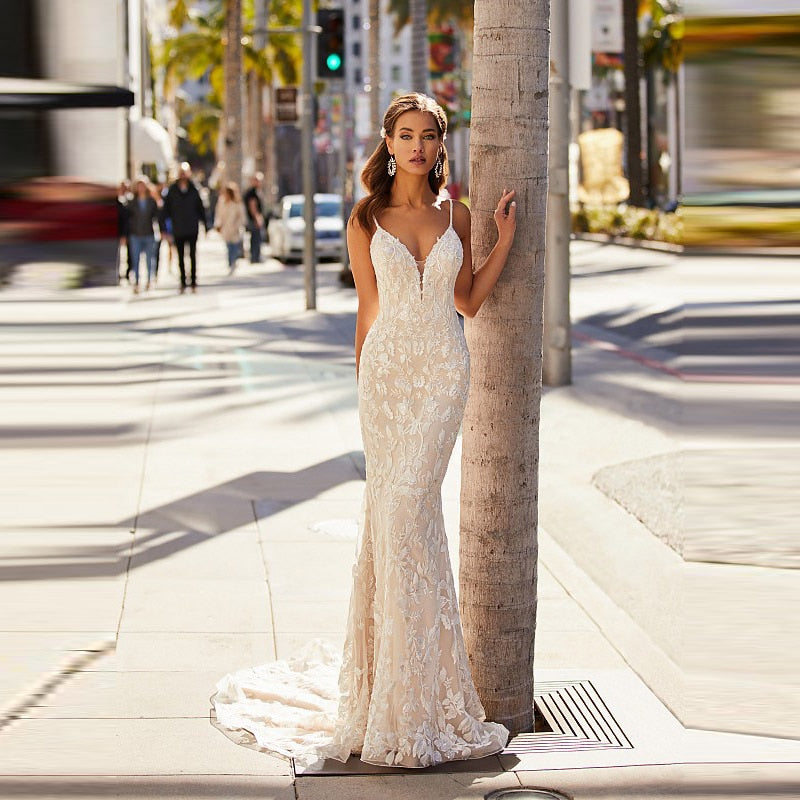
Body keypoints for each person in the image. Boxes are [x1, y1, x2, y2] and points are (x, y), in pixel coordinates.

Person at [211, 93, 517, 768]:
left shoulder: (456, 214)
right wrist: (361, 382)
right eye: (405, 135)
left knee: (409, 511)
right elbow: (366, 313)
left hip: (441, 375)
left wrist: (504, 242)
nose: (417, 146)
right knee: (393, 520)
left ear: (441, 146)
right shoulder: (365, 217)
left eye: (428, 136)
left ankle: (422, 697)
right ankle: (388, 691)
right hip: (386, 380)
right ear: (388, 142)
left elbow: (466, 300)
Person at [163, 162, 208, 293]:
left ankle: (193, 281)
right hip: (178, 228)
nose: (183, 175)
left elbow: (201, 209)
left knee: (193, 255)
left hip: (192, 228)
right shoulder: (172, 190)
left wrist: (205, 225)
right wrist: (164, 229)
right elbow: (166, 210)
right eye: (181, 172)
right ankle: (183, 282)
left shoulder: (194, 189)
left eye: (185, 172)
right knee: (181, 256)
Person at [126, 177, 161, 294]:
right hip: (135, 234)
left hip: (149, 234)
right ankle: (136, 282)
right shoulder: (131, 202)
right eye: (139, 185)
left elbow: (158, 216)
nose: (141, 188)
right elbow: (127, 218)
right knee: (135, 259)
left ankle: (149, 280)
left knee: (149, 259)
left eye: (143, 185)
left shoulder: (151, 201)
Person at [214, 181, 246, 273]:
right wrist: (218, 224)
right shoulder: (222, 202)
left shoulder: (237, 203)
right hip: (225, 228)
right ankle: (230, 261)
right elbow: (218, 214)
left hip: (235, 227)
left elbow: (241, 216)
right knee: (228, 245)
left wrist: (239, 225)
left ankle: (233, 261)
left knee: (234, 245)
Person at [243, 172, 265, 263]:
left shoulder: (254, 192)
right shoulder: (252, 192)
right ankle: (255, 257)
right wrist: (257, 219)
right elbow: (253, 207)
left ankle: (255, 257)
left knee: (255, 238)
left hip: (253, 218)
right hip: (253, 219)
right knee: (256, 238)